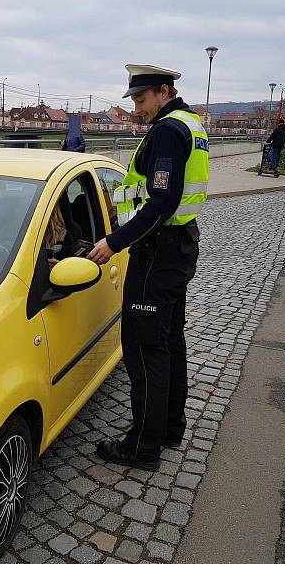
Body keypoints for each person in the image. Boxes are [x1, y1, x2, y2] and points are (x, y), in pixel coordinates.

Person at [87, 64, 209, 471]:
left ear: (163, 91)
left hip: (157, 254)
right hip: (177, 248)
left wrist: (113, 242)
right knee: (170, 342)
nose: (137, 109)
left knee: (143, 349)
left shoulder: (168, 131)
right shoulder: (192, 124)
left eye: (141, 100)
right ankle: (170, 428)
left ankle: (142, 446)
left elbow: (161, 203)